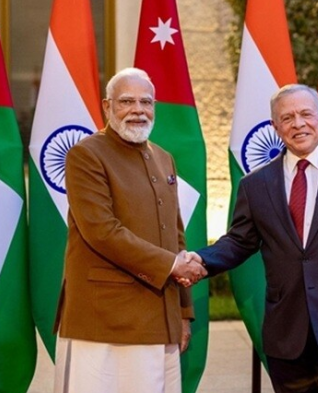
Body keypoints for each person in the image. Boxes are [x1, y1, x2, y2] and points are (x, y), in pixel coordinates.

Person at [187, 84, 318, 393]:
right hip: (285, 330)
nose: (298, 124)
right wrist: (200, 259)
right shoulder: (255, 184)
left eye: (305, 114)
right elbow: (240, 241)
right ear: (275, 127)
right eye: (287, 118)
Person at [53, 67, 206, 393]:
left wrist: (183, 312)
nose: (138, 110)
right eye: (126, 101)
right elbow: (102, 231)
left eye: (146, 102)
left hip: (160, 317)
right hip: (105, 321)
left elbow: (176, 235)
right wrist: (173, 265)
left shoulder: (163, 158)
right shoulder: (85, 155)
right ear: (107, 106)